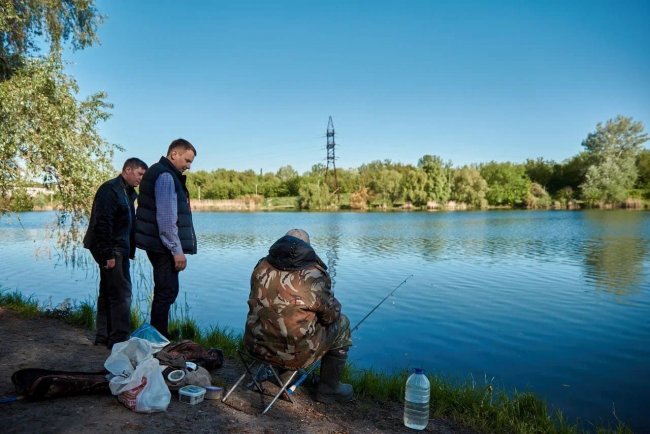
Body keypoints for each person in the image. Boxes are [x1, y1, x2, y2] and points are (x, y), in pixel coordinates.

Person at [244, 228, 354, 403]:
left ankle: (282, 373)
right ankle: (329, 389)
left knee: (272, 316)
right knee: (342, 323)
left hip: (255, 345)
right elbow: (330, 316)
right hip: (294, 353)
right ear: (308, 248)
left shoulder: (261, 266)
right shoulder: (314, 275)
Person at [83, 158, 148, 349]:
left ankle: (104, 337)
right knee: (122, 295)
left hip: (119, 249)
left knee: (108, 292)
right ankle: (119, 340)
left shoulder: (127, 192)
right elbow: (102, 223)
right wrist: (107, 254)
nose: (141, 179)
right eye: (139, 174)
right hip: (114, 250)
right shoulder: (110, 190)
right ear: (128, 170)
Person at [135, 138, 197, 339]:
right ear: (174, 155)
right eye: (187, 161)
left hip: (156, 244)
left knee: (166, 291)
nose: (188, 166)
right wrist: (177, 250)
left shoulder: (160, 172)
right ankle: (158, 341)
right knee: (166, 292)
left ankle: (159, 336)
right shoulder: (166, 176)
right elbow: (166, 218)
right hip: (163, 247)